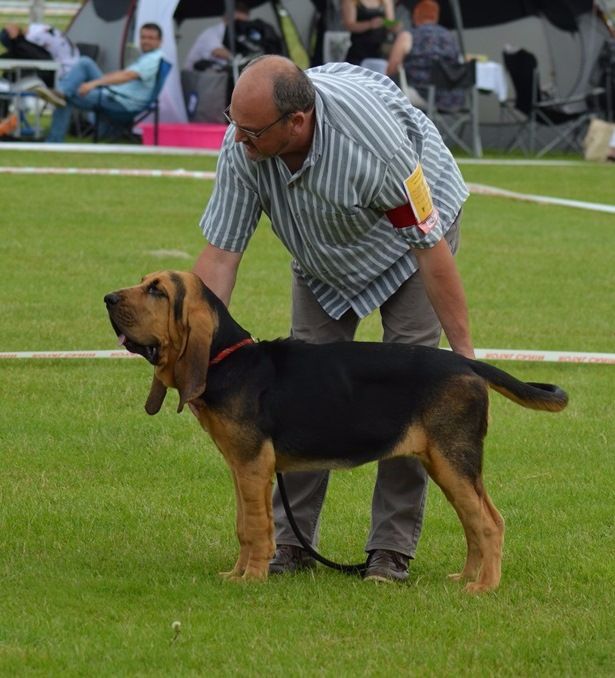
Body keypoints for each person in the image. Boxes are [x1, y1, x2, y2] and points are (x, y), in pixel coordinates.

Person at [193, 55, 474, 583]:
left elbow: (432, 253)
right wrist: (193, 353)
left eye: (250, 132)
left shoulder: (375, 149)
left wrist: (464, 361)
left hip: (409, 248)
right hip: (322, 255)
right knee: (297, 388)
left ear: (296, 122)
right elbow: (220, 257)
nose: (237, 141)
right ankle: (290, 544)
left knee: (409, 391)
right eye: (233, 125)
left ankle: (391, 550)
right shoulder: (244, 146)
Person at [24, 22, 164, 143]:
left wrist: (94, 83)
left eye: (151, 38)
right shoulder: (147, 57)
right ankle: (61, 93)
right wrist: (100, 81)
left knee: (70, 94)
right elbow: (122, 74)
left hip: (121, 102)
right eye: (143, 37)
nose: (146, 41)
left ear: (160, 41)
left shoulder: (153, 59)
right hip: (115, 94)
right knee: (85, 64)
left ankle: (54, 138)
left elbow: (127, 76)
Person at [386, 0, 464, 110]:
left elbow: (392, 67)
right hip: (453, 97)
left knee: (388, 87)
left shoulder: (408, 35)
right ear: (436, 16)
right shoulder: (450, 37)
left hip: (422, 95)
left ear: (415, 15)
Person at [183, 2, 282, 71]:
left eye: (244, 23)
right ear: (227, 17)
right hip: (199, 82)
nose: (241, 26)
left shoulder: (239, 35)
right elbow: (219, 52)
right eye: (239, 22)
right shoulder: (211, 33)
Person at [1, 22, 79, 79]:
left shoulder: (31, 38)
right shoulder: (34, 30)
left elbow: (21, 52)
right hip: (72, 62)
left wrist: (16, 40)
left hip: (66, 71)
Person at [340, 0, 400, 66]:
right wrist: (370, 24)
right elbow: (349, 25)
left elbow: (389, 24)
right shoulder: (351, 1)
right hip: (359, 50)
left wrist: (394, 26)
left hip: (380, 50)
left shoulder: (386, 1)